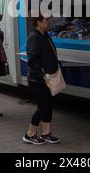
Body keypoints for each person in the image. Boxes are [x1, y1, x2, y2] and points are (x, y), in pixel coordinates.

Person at [23, 12, 60, 145]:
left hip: (47, 78)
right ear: (38, 22)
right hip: (38, 79)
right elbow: (32, 60)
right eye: (46, 20)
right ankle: (30, 134)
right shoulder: (34, 38)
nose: (48, 21)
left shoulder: (45, 36)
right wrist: (43, 73)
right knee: (43, 106)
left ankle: (46, 133)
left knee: (48, 105)